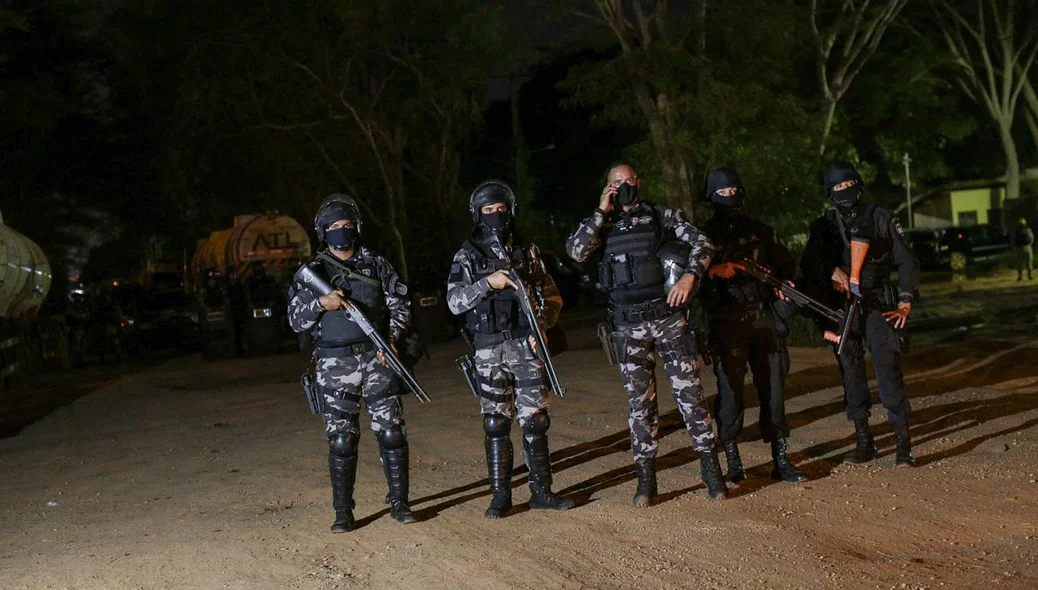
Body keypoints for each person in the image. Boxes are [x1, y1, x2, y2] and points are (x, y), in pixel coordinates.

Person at [565, 160, 728, 505]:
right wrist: (599, 210)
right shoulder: (602, 225)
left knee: (692, 398)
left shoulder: (659, 216)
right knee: (641, 406)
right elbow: (575, 252)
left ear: (638, 182)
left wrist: (689, 277)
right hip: (627, 326)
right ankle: (646, 482)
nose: (624, 186)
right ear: (608, 187)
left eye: (629, 180)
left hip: (667, 318)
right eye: (616, 183)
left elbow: (704, 244)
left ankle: (712, 474)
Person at [287, 193, 415, 533]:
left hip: (376, 359)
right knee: (342, 440)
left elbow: (400, 306)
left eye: (346, 226)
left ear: (355, 228)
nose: (340, 232)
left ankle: (400, 503)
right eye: (333, 227)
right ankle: (343, 512)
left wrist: (392, 339)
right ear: (323, 232)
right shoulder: (312, 273)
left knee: (391, 433)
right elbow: (295, 321)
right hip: (334, 364)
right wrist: (320, 303)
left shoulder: (376, 264)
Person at [447, 180, 574, 518]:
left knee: (535, 420)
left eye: (501, 209)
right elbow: (454, 302)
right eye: (488, 210)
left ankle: (542, 491)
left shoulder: (528, 251)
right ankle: (501, 495)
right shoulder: (468, 254)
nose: (496, 215)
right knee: (496, 423)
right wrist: (487, 283)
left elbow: (552, 295)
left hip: (526, 345)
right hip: (489, 350)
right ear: (477, 214)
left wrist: (542, 325)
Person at [800, 162, 921, 467]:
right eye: (838, 188)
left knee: (888, 372)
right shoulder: (825, 225)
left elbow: (907, 262)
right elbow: (809, 263)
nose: (844, 191)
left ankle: (903, 443)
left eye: (848, 185)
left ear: (859, 185)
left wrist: (905, 302)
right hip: (845, 309)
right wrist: (833, 271)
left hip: (880, 304)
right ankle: (864, 440)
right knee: (851, 372)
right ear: (830, 193)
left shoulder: (879, 217)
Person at [699, 168, 807, 483]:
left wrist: (783, 285)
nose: (730, 196)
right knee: (731, 393)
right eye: (723, 191)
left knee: (773, 389)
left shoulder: (759, 231)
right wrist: (715, 270)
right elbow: (687, 277)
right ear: (712, 196)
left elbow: (785, 264)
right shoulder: (703, 235)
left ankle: (781, 458)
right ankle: (733, 460)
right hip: (726, 320)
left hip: (762, 318)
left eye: (734, 190)